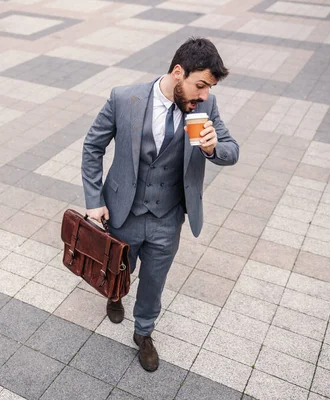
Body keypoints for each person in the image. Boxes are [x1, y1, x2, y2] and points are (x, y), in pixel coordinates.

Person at [81, 37, 239, 372]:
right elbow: (92, 147)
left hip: (168, 215)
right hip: (124, 209)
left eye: (209, 88)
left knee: (155, 277)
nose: (204, 95)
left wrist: (213, 149)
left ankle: (144, 332)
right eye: (200, 85)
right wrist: (94, 202)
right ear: (178, 72)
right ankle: (114, 294)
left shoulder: (205, 108)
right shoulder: (124, 98)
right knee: (120, 267)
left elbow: (231, 149)